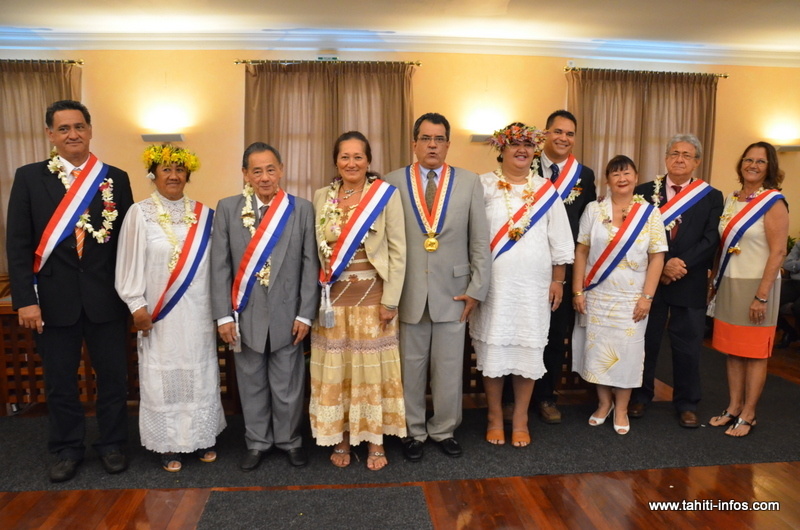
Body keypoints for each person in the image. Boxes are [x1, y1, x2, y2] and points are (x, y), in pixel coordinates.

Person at [6, 99, 134, 482]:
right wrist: (25, 300)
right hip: (52, 301)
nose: (72, 134)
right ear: (50, 134)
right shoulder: (29, 177)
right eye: (63, 129)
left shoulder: (115, 177)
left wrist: (132, 297)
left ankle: (112, 445)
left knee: (113, 380)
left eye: (78, 127)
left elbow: (127, 243)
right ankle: (66, 449)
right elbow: (17, 243)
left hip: (105, 300)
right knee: (60, 381)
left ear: (90, 130)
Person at [384, 112, 491, 461]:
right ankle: (412, 430)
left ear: (447, 144)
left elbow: (479, 240)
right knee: (409, 368)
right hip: (408, 291)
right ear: (414, 143)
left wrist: (477, 288)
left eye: (439, 139)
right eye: (426, 138)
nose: (432, 145)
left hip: (455, 292)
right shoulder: (392, 182)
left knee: (448, 368)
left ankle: (444, 429)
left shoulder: (469, 182)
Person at [115, 145, 226, 472]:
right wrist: (136, 304)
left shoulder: (206, 215)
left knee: (200, 375)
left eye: (179, 170)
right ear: (154, 175)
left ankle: (202, 438)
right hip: (159, 318)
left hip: (198, 315)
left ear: (188, 175)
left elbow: (217, 266)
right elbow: (128, 263)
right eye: (166, 170)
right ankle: (169, 445)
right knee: (164, 378)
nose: (174, 176)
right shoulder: (140, 213)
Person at [211, 142, 319, 470]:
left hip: (289, 315)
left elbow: (309, 264)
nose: (265, 177)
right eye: (256, 171)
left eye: (270, 169)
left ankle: (290, 440)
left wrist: (305, 313)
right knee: (251, 383)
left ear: (281, 170)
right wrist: (222, 316)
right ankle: (257, 442)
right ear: (245, 174)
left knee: (288, 384)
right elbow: (220, 266)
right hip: (244, 316)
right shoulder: (228, 209)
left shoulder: (300, 209)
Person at [470, 123, 574, 447]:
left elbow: (560, 241)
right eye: (515, 144)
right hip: (494, 288)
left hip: (533, 289)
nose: (522, 150)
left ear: (535, 151)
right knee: (494, 352)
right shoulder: (482, 186)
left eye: (528, 145)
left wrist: (559, 280)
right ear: (502, 148)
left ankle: (521, 419)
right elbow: (470, 237)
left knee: (527, 354)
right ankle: (494, 417)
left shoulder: (546, 190)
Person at [310, 131, 407, 471]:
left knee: (371, 375)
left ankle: (376, 442)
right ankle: (340, 438)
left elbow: (398, 250)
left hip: (373, 301)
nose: (351, 163)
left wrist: (391, 301)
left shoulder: (384, 196)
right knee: (339, 374)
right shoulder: (322, 196)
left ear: (369, 161)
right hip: (331, 304)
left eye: (358, 157)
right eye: (345, 157)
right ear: (336, 161)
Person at [630, 135, 724, 428]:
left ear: (696, 162)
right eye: (674, 153)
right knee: (646, 341)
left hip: (690, 278)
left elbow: (711, 238)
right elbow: (636, 235)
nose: (680, 159)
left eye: (687, 155)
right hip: (651, 280)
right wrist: (663, 263)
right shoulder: (644, 191)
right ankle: (640, 396)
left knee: (688, 345)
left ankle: (686, 403)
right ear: (666, 158)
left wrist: (679, 264)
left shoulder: (710, 196)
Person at [572, 155, 667, 435]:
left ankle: (622, 407)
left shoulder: (650, 213)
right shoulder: (593, 209)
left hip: (632, 298)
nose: (622, 178)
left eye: (627, 173)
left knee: (627, 353)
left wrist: (647, 297)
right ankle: (604, 404)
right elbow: (582, 251)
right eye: (615, 174)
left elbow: (658, 257)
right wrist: (578, 290)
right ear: (607, 180)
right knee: (599, 351)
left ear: (636, 178)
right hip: (598, 295)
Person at [709, 142, 788, 437]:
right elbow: (723, 247)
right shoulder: (732, 200)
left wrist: (762, 295)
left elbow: (779, 252)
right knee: (733, 351)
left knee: (754, 353)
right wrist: (713, 281)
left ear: (770, 168)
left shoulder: (774, 202)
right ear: (741, 163)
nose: (753, 165)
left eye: (761, 161)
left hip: (758, 286)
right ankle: (733, 407)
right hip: (730, 283)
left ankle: (749, 414)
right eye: (749, 159)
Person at [533, 110, 597, 424]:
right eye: (557, 131)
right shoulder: (523, 164)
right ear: (545, 134)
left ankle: (546, 396)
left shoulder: (584, 175)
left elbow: (589, 227)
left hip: (564, 269)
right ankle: (511, 398)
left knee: (556, 335)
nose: (563, 138)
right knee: (524, 331)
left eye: (570, 134)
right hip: (527, 266)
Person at [776, 241, 800, 348]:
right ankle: (790, 332)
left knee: (798, 308)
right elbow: (787, 264)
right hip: (795, 283)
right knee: (770, 303)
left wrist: (796, 264)